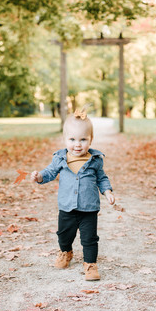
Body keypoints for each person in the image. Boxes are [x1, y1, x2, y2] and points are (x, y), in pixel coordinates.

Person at [31, 108, 115, 281]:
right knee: (64, 235)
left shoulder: (95, 160)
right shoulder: (60, 158)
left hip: (89, 208)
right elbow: (50, 172)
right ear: (65, 140)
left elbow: (102, 178)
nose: (77, 144)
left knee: (90, 238)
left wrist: (107, 192)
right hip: (67, 207)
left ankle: (90, 264)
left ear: (91, 139)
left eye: (83, 139)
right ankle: (66, 252)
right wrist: (39, 176)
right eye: (72, 139)